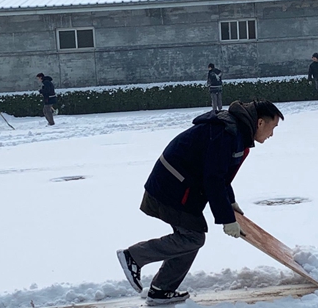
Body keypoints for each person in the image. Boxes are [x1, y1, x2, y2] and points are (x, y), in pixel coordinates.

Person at [116, 100, 284, 306]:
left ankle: (162, 289)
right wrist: (225, 219)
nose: (272, 134)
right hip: (171, 189)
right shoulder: (226, 133)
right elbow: (213, 179)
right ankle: (134, 256)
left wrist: (229, 203)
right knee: (192, 237)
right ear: (260, 123)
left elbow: (220, 175)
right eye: (273, 127)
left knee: (191, 235)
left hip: (178, 187)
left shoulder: (235, 131)